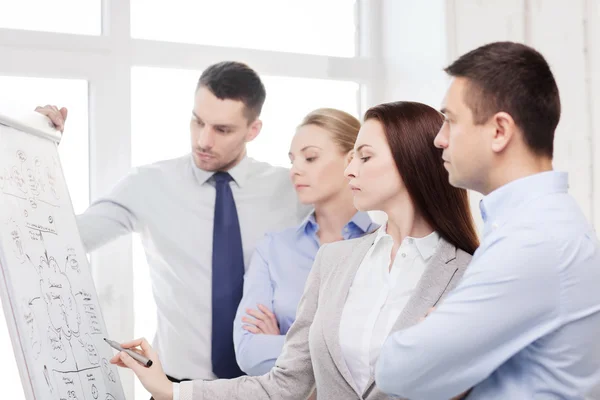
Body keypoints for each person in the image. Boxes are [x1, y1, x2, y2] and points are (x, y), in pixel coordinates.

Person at [109, 101, 480, 400]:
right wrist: (169, 389)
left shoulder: (470, 273)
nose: (350, 170)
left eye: (364, 157)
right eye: (351, 158)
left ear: (412, 161)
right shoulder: (336, 261)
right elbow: (283, 385)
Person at [35, 61, 308, 386]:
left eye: (222, 130)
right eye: (197, 121)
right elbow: (65, 239)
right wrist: (37, 154)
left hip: (265, 388)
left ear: (253, 130)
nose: (203, 140)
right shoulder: (149, 184)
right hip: (172, 388)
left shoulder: (292, 190)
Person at [375, 42, 600, 399]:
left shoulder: (533, 241)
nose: (439, 139)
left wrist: (435, 329)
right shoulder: (533, 225)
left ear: (499, 131)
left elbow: (398, 370)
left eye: (450, 120)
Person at [233, 108, 378, 377]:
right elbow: (250, 354)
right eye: (292, 160)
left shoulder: (385, 245)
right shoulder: (273, 249)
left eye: (310, 158)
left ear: (351, 160)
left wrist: (286, 342)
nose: (295, 170)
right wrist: (346, 349)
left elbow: (384, 356)